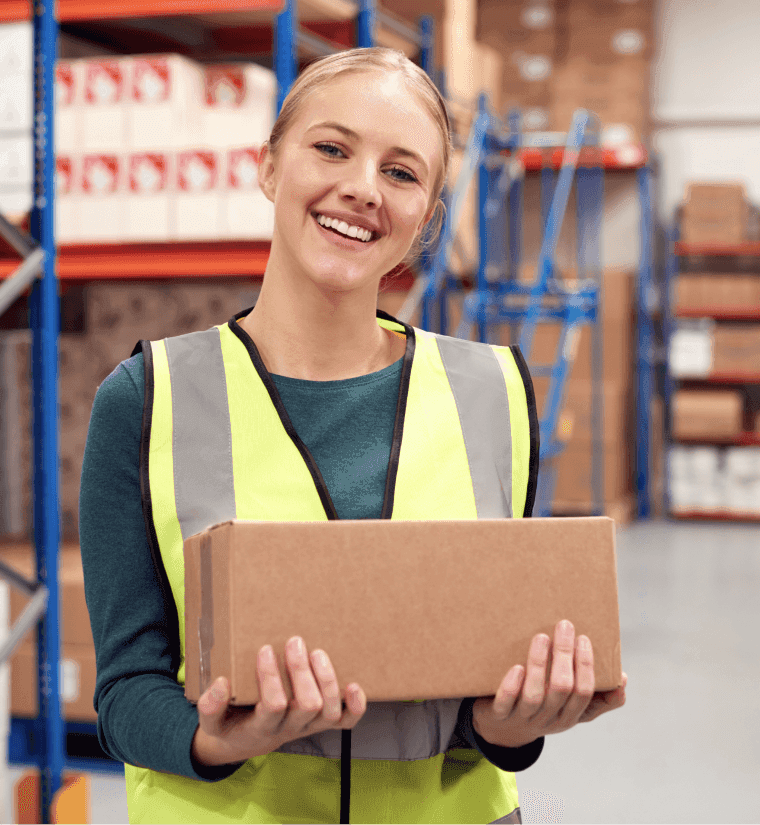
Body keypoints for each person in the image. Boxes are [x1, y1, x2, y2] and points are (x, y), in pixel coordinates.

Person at [79, 46, 628, 825]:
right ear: (269, 166)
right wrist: (212, 737)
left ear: (427, 217)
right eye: (331, 149)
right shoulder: (147, 399)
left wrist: (515, 723)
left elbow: (482, 686)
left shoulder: (493, 393)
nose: (362, 189)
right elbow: (125, 689)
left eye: (402, 172)